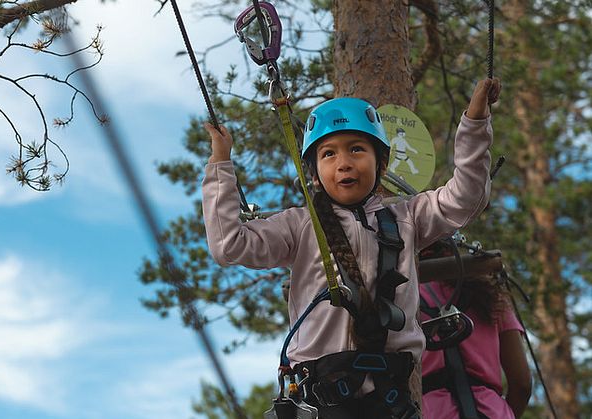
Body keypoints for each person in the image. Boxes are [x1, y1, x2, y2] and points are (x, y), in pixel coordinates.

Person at [201, 78, 500, 418]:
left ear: (381, 165)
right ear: (314, 175)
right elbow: (228, 245)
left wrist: (474, 123)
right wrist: (220, 164)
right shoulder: (300, 225)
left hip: (389, 398)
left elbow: (466, 198)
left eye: (357, 149)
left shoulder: (408, 217)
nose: (343, 162)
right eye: (329, 154)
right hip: (322, 399)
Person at [419, 273, 532, 419]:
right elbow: (522, 383)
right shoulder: (492, 295)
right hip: (492, 411)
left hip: (433, 411)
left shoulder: (404, 296)